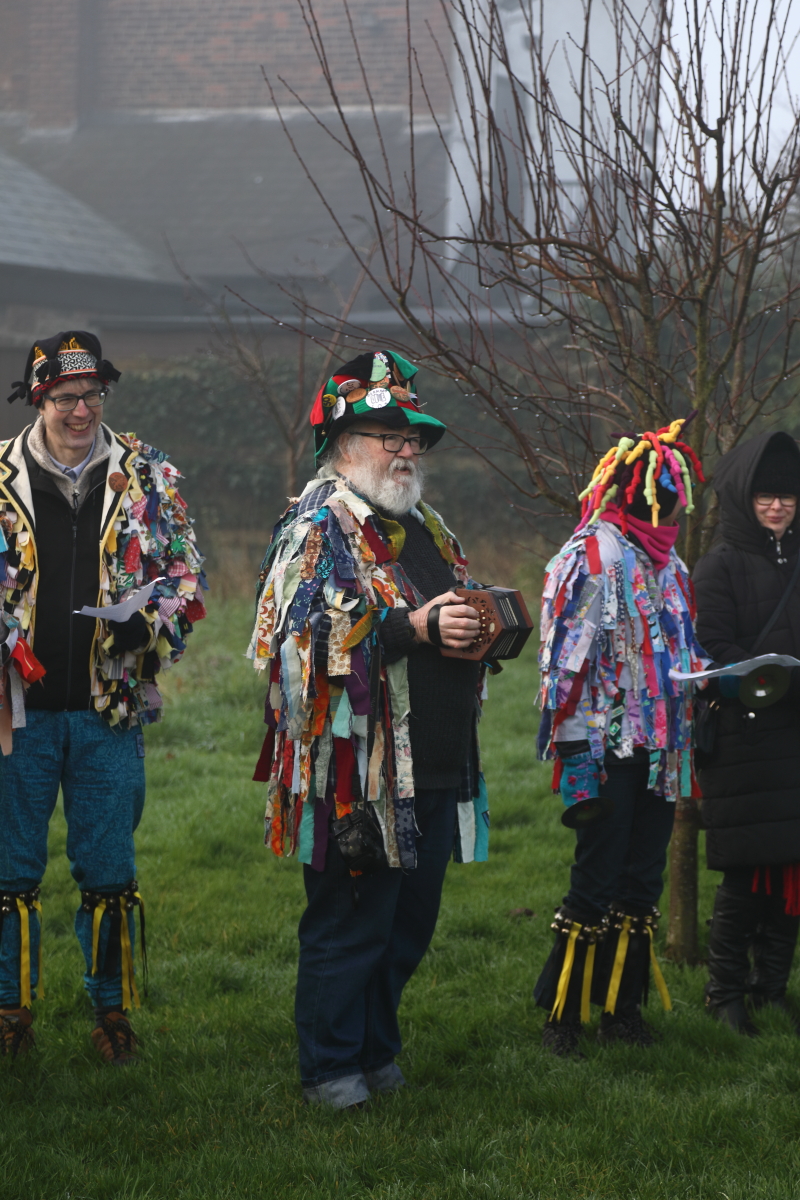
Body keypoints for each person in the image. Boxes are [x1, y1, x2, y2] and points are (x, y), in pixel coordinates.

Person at [248, 350, 490, 1108]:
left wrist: (484, 624)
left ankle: (376, 1050)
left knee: (408, 926)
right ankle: (329, 1067)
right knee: (351, 922)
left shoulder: (427, 528)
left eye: (412, 436)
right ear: (345, 444)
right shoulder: (319, 527)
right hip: (359, 772)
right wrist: (411, 625)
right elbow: (299, 644)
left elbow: (446, 611)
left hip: (437, 762)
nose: (407, 449)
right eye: (390, 435)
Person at [0, 332, 206, 1062]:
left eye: (92, 395)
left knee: (110, 868)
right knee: (9, 868)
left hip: (107, 710)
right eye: (65, 397)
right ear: (37, 398)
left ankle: (111, 1013)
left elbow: (186, 577)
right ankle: (9, 1012)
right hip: (15, 715)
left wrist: (151, 625)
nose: (81, 410)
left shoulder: (146, 476)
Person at [533, 420, 708, 1056]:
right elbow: (563, 671)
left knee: (642, 880)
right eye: (661, 498)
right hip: (606, 753)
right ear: (633, 495)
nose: (671, 512)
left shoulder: (672, 566)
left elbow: (679, 651)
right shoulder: (591, 558)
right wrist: (577, 758)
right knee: (596, 879)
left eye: (675, 501)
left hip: (663, 752)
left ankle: (621, 1010)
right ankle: (563, 1015)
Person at [693, 431, 800, 1034]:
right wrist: (769, 681)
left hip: (797, 737)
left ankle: (771, 990)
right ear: (744, 499)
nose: (777, 507)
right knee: (745, 874)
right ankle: (725, 993)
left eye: (787, 496)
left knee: (794, 867)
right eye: (765, 496)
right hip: (745, 738)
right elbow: (711, 645)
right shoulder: (720, 564)